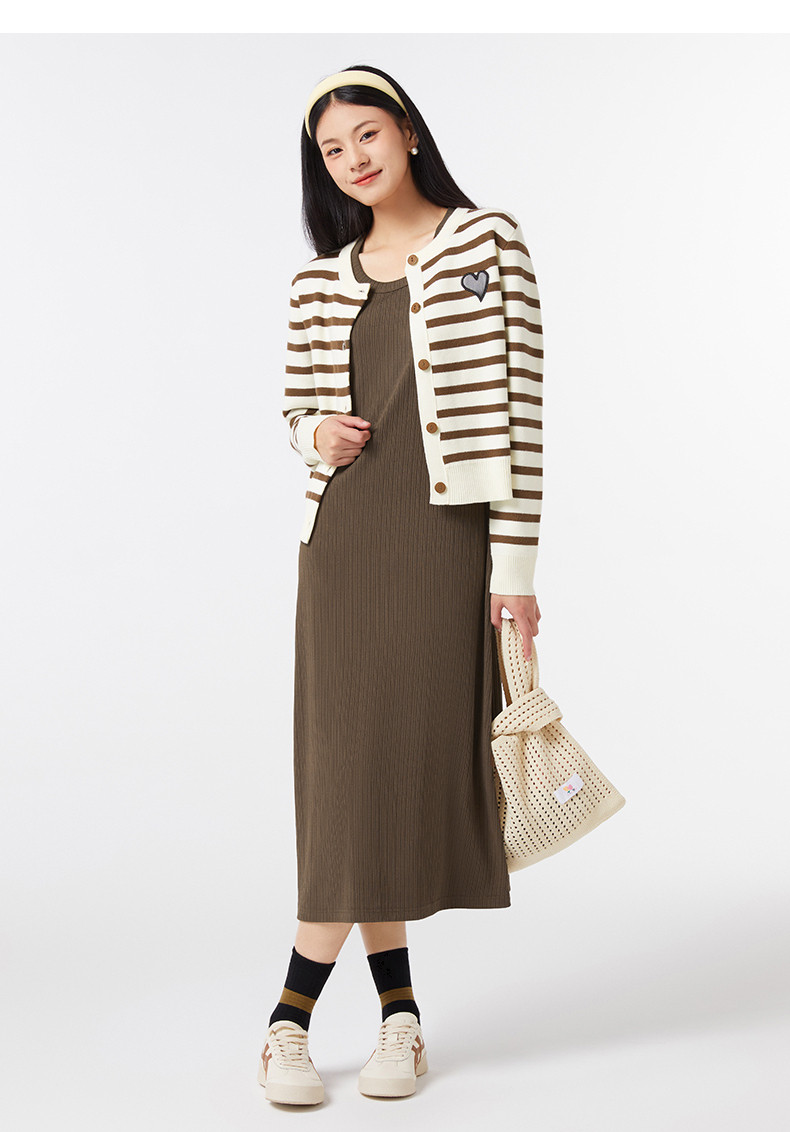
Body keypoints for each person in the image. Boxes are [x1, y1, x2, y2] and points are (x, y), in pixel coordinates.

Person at [259, 63, 543, 1105]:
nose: (353, 160)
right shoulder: (315, 282)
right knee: (348, 778)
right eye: (333, 151)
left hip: (442, 546)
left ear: (410, 132)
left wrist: (514, 573)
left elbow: (523, 415)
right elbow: (294, 408)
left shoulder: (487, 243)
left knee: (391, 775)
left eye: (367, 135)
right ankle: (377, 1019)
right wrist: (314, 434)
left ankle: (303, 1019)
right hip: (342, 547)